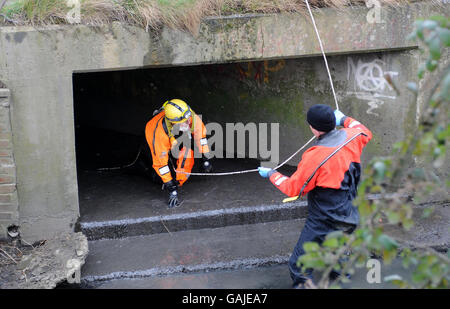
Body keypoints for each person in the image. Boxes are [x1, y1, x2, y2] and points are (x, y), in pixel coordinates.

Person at [258, 104, 372, 288]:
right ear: (332, 121)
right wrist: (344, 119)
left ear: (313, 128)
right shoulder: (354, 136)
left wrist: (271, 174)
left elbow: (293, 189)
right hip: (350, 209)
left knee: (299, 265)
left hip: (325, 217)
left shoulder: (315, 156)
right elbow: (364, 129)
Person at [144, 99, 213, 208]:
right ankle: (145, 167)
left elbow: (201, 137)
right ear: (173, 122)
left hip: (175, 136)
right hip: (158, 139)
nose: (188, 122)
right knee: (159, 176)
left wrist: (206, 158)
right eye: (184, 122)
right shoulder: (158, 134)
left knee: (186, 155)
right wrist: (171, 187)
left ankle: (178, 179)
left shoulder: (188, 116)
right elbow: (161, 164)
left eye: (188, 120)